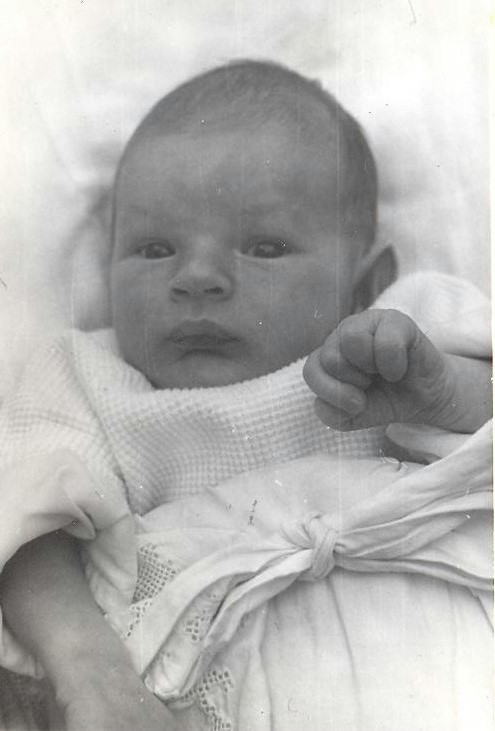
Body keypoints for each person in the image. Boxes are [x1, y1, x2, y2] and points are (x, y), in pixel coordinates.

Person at [0, 60, 491, 731]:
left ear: (364, 283)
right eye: (154, 248)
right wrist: (87, 668)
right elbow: (22, 523)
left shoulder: (401, 333)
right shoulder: (88, 377)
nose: (198, 277)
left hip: (435, 668)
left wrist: (444, 392)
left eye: (263, 247)